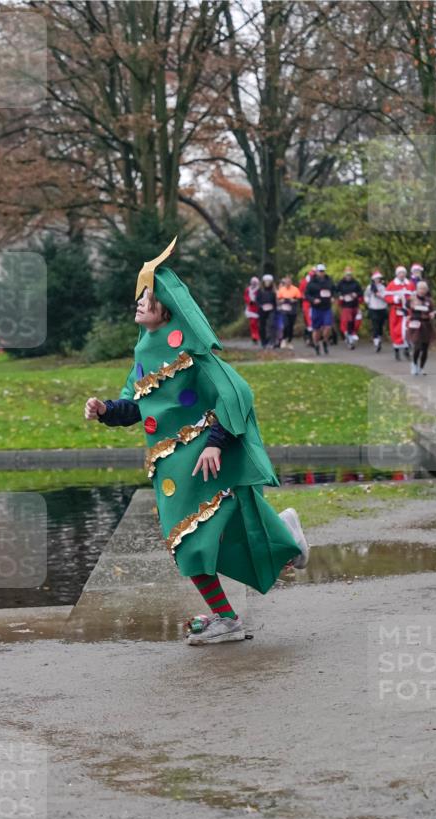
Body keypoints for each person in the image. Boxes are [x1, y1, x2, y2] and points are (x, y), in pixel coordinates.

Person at [84, 239, 310, 645]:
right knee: (198, 537)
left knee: (194, 541)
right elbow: (138, 408)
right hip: (170, 468)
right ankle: (284, 543)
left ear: (166, 308)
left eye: (147, 299)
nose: (138, 304)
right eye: (139, 298)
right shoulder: (143, 351)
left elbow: (236, 392)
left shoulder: (189, 350)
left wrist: (215, 443)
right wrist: (104, 410)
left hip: (200, 459)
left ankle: (229, 614)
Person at [407, 281, 436, 375]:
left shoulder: (429, 301)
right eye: (420, 288)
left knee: (425, 348)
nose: (422, 290)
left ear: (427, 290)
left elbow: (435, 311)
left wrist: (434, 314)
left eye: (424, 289)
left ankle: (422, 367)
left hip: (426, 325)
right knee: (417, 346)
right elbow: (406, 308)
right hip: (416, 324)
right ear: (417, 289)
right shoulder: (412, 299)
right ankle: (414, 364)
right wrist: (411, 307)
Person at [384, 266, 415, 360]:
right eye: (400, 273)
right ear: (397, 274)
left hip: (407, 311)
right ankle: (396, 351)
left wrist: (410, 302)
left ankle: (406, 350)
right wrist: (396, 299)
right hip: (396, 311)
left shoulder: (410, 284)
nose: (402, 275)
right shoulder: (391, 285)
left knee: (407, 329)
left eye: (403, 273)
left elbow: (414, 296)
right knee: (395, 331)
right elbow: (386, 297)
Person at [304, 263, 334, 355]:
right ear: (316, 272)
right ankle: (316, 344)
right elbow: (307, 295)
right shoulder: (311, 283)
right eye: (320, 271)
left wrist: (333, 297)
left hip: (327, 307)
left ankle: (325, 341)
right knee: (316, 329)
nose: (322, 273)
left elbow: (334, 290)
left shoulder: (329, 281)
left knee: (328, 327)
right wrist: (313, 300)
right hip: (316, 308)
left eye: (323, 271)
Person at [333, 266, 363, 349]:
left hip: (354, 305)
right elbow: (335, 291)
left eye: (349, 275)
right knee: (348, 321)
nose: (348, 276)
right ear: (344, 275)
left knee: (355, 322)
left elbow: (360, 292)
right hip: (345, 306)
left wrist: (356, 294)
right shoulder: (341, 283)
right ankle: (349, 337)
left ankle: (350, 335)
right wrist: (340, 296)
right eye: (347, 275)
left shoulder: (356, 283)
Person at [364, 270, 388, 352]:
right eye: (376, 278)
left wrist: (382, 297)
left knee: (381, 325)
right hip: (373, 308)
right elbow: (366, 296)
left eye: (379, 278)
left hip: (382, 307)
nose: (377, 280)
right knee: (375, 325)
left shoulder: (383, 286)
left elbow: (387, 296)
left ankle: (379, 338)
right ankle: (376, 341)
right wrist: (368, 302)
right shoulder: (370, 287)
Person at [277, 276, 302, 349]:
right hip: (284, 309)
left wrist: (294, 300)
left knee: (291, 326)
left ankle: (289, 341)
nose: (287, 283)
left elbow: (299, 299)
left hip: (292, 310)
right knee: (286, 325)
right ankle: (284, 340)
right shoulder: (281, 290)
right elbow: (278, 299)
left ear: (291, 282)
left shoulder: (295, 289)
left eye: (289, 282)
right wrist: (281, 301)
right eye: (286, 282)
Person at [256, 273, 278, 348]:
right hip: (262, 310)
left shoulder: (274, 291)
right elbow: (257, 301)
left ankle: (272, 341)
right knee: (262, 326)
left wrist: (273, 307)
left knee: (271, 324)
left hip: (271, 310)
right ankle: (263, 341)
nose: (268, 283)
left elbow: (275, 302)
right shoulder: (260, 291)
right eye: (266, 281)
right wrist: (262, 306)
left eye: (269, 281)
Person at [299, 267, 316, 344]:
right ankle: (309, 338)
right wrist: (304, 296)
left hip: (316, 304)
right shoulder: (304, 282)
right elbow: (300, 293)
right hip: (307, 303)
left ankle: (311, 336)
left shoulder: (318, 282)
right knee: (309, 321)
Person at [243, 277, 260, 343]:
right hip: (250, 308)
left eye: (255, 282)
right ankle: (254, 335)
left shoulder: (259, 289)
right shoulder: (248, 289)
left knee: (256, 324)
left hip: (257, 308)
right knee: (252, 323)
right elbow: (245, 296)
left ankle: (256, 335)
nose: (254, 283)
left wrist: (256, 301)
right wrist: (249, 301)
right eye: (253, 282)